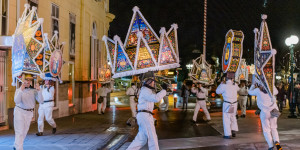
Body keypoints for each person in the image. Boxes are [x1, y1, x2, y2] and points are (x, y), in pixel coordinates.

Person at [126, 78, 167, 150]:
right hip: (145, 116)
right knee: (152, 137)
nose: (154, 84)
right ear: (149, 82)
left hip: (144, 116)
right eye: (153, 82)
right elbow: (156, 98)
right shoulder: (145, 90)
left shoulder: (146, 90)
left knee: (141, 139)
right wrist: (164, 90)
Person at [248, 82, 282, 150]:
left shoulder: (257, 90)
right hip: (273, 111)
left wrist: (253, 85)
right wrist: (271, 83)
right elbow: (276, 91)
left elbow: (249, 92)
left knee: (266, 130)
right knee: (274, 128)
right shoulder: (271, 89)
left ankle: (270, 146)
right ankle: (276, 141)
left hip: (265, 112)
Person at [13, 74, 43, 150]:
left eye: (29, 80)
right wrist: (21, 90)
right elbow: (17, 101)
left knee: (24, 132)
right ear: (23, 81)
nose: (28, 82)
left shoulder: (34, 90)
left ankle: (16, 145)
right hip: (19, 111)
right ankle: (19, 148)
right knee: (19, 131)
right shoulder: (18, 90)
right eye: (26, 80)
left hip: (29, 113)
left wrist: (39, 91)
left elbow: (41, 101)